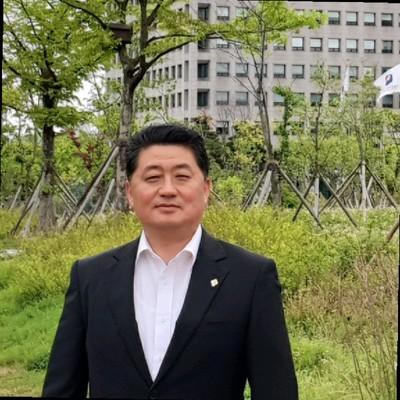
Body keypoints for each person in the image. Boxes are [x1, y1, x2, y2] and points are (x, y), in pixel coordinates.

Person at [42, 124, 298, 399]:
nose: (167, 190)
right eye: (153, 178)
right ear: (130, 192)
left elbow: (276, 389)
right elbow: (63, 387)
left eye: (182, 177)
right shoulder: (91, 277)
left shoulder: (250, 277)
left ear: (206, 189)